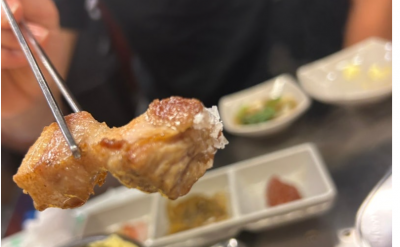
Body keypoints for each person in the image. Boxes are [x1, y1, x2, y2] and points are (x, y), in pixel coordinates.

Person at [1, 0, 392, 153]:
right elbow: (35, 121)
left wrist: (360, 81)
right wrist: (16, 100)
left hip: (342, 111)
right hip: (190, 146)